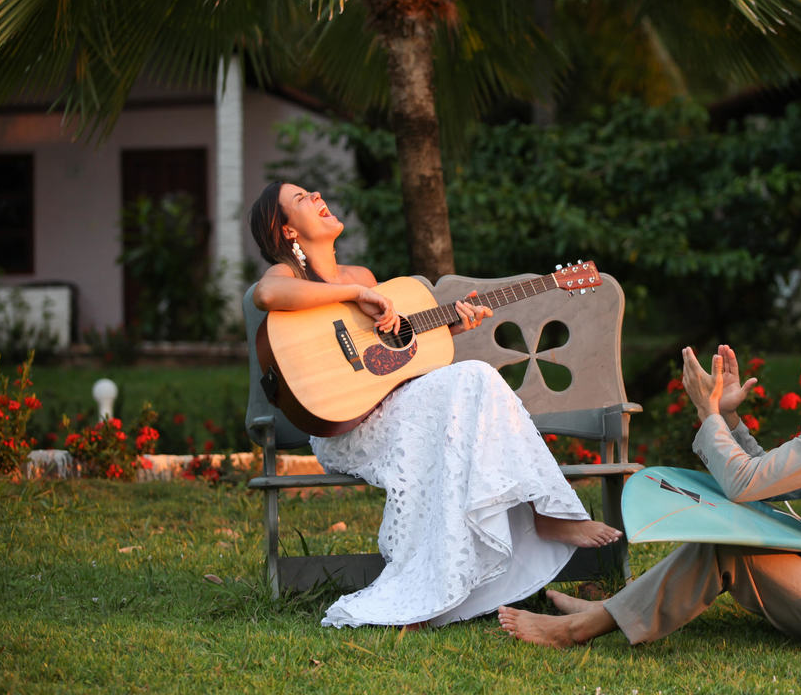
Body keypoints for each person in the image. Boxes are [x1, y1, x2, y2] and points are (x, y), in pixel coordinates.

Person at [248, 181, 621, 629]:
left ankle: (450, 576)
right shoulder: (292, 277)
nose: (316, 196)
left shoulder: (363, 276)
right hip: (345, 429)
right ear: (287, 230)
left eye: (312, 191)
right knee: (474, 379)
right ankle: (544, 514)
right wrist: (352, 296)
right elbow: (266, 297)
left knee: (474, 378)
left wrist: (451, 327)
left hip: (393, 414)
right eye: (301, 198)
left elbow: (387, 355)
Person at [498, 319, 801, 658]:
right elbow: (770, 483)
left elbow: (747, 483)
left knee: (724, 547)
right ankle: (611, 610)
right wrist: (727, 418)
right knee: (732, 537)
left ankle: (578, 629)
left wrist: (705, 411)